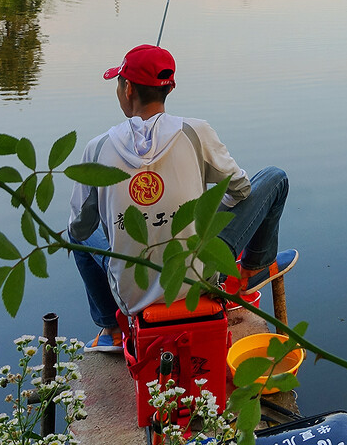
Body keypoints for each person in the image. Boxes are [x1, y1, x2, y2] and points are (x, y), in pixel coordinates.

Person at [69, 45, 296, 353]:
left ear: (129, 88)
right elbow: (241, 189)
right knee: (275, 178)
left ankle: (113, 329)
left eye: (119, 82)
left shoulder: (96, 148)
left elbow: (80, 229)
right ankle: (253, 267)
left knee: (72, 235)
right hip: (198, 277)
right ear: (169, 88)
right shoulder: (195, 132)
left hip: (133, 297)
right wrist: (204, 214)